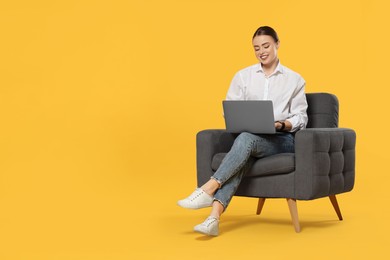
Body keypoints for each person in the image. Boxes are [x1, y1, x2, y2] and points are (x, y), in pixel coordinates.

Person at [177, 26, 308, 236]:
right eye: (256, 48)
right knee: (245, 150)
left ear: (277, 44)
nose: (261, 51)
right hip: (249, 138)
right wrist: (240, 120)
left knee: (246, 140)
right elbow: (230, 110)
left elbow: (301, 117)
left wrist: (281, 124)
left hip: (281, 139)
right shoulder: (243, 76)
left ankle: (208, 189)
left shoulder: (294, 79)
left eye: (266, 46)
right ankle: (213, 218)